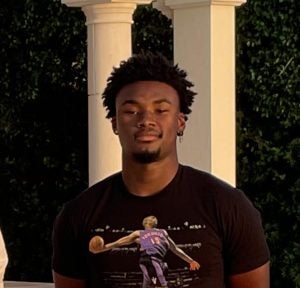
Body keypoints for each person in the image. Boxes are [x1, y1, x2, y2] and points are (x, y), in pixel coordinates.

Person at [52, 52, 270, 288]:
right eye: (131, 111)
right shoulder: (78, 215)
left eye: (161, 110)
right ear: (114, 123)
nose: (146, 119)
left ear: (180, 121)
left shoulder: (228, 207)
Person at [89, 215, 200, 287]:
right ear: (156, 223)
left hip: (145, 261)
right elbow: (176, 249)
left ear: (144, 224)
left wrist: (102, 249)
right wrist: (191, 261)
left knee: (148, 284)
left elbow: (119, 242)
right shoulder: (163, 233)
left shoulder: (140, 234)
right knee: (162, 283)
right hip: (153, 260)